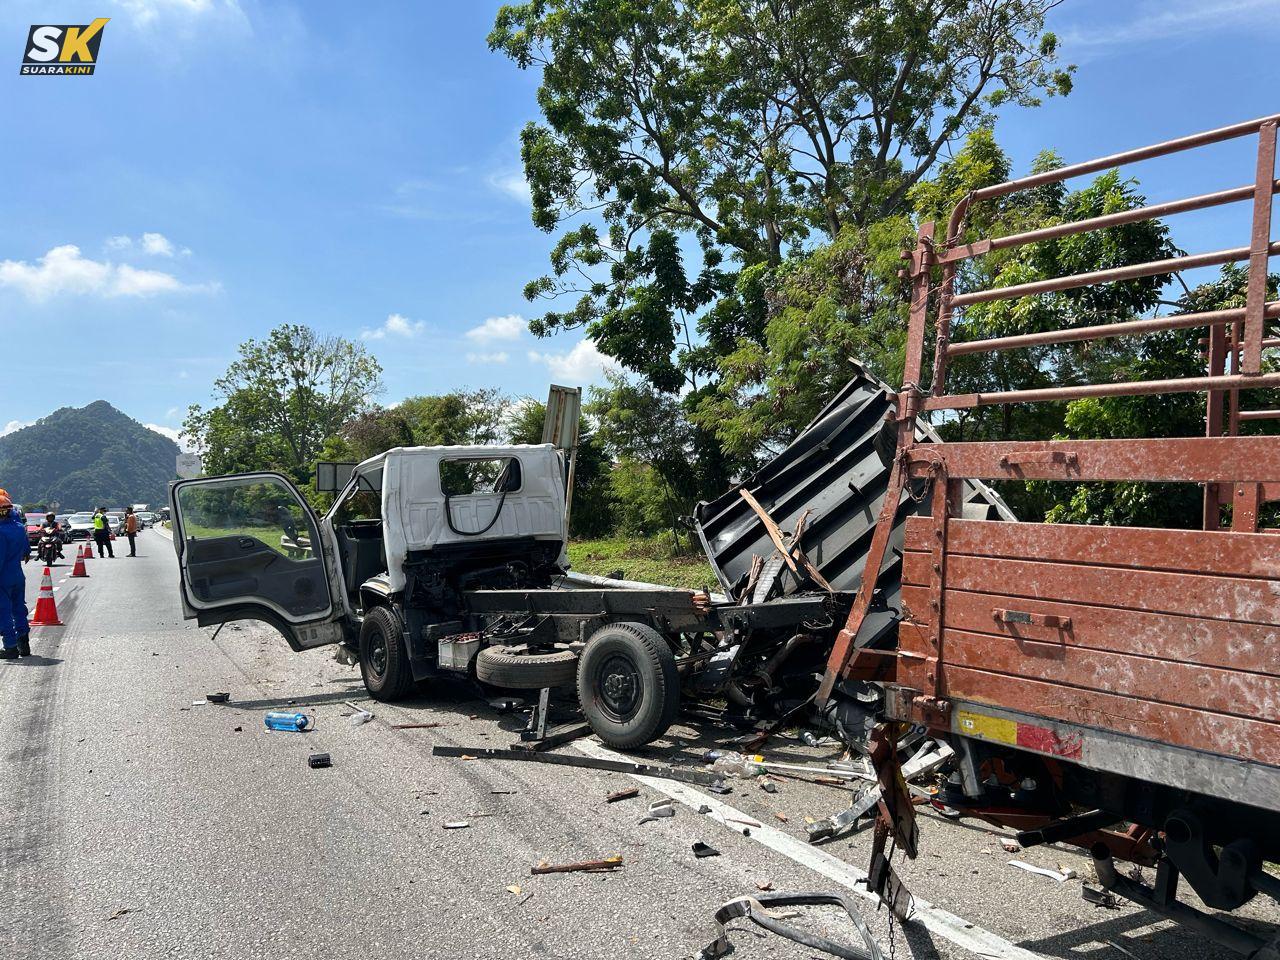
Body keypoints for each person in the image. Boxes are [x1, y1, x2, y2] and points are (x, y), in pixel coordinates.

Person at [0, 489, 31, 660]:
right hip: (18, 575)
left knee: (3, 611)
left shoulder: (0, 532)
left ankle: (10, 647)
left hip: (3, 577)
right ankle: (23, 643)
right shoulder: (18, 527)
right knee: (19, 609)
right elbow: (25, 548)